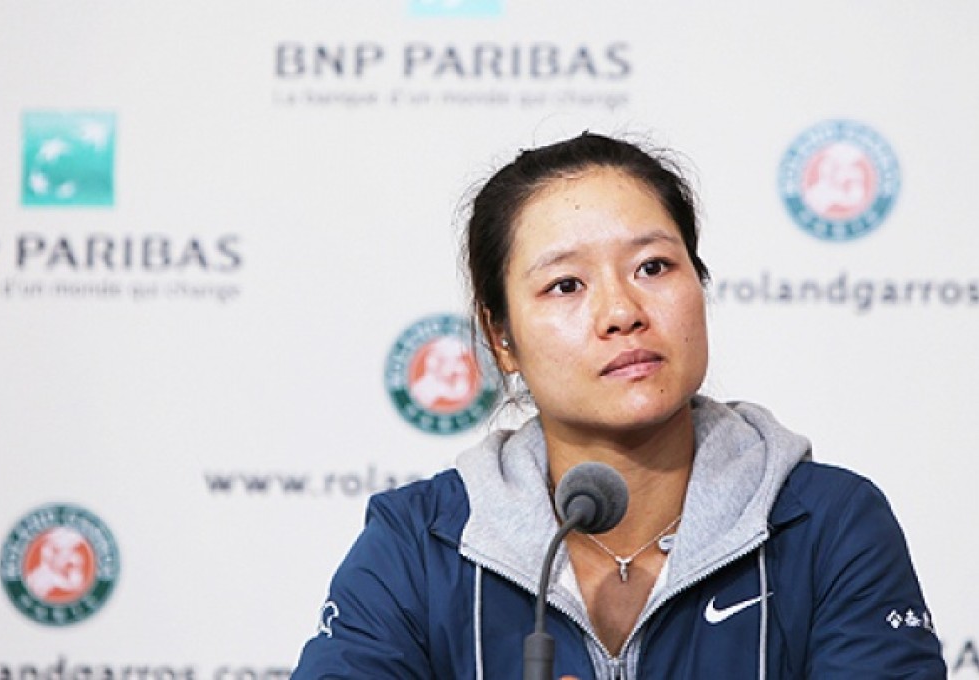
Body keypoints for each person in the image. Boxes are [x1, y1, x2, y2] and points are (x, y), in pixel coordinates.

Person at [290, 132, 946, 678]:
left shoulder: (828, 525)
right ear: (501, 338)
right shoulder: (419, 544)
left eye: (653, 268)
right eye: (565, 284)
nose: (622, 312)